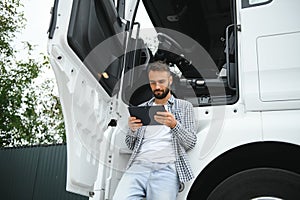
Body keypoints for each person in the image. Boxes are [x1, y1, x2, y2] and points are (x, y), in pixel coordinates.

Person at [113, 61, 197, 200]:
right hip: (138, 166)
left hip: (167, 167)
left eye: (161, 82)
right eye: (153, 83)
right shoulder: (141, 108)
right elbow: (130, 144)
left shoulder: (184, 107)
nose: (157, 87)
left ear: (170, 80)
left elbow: (191, 142)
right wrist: (132, 130)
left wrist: (174, 125)